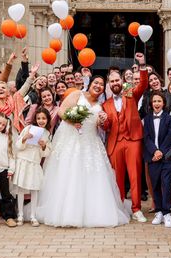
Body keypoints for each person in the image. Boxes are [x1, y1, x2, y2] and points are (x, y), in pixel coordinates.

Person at [36, 76, 131, 227]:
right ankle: (66, 212)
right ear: (90, 84)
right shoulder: (77, 94)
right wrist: (73, 121)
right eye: (96, 83)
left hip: (91, 142)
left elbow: (100, 126)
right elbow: (61, 111)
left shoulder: (101, 105)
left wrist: (101, 120)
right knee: (69, 172)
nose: (98, 86)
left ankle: (94, 212)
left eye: (101, 84)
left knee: (93, 175)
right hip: (71, 138)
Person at [102, 53, 149, 222]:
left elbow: (143, 84)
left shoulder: (131, 94)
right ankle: (120, 206)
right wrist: (103, 121)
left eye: (117, 81)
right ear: (109, 84)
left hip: (133, 140)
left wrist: (142, 65)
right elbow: (106, 127)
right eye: (112, 81)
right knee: (117, 177)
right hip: (115, 142)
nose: (115, 83)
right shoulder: (105, 105)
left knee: (135, 175)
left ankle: (136, 209)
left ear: (122, 81)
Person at [13, 107, 51, 226]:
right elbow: (18, 146)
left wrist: (43, 146)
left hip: (35, 163)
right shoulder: (28, 129)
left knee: (34, 189)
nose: (41, 120)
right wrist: (24, 138)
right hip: (23, 161)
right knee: (21, 189)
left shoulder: (47, 133)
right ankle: (20, 215)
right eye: (38, 118)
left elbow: (47, 152)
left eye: (44, 118)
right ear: (35, 119)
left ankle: (33, 216)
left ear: (47, 120)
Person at [143, 92, 171, 228]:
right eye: (154, 101)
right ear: (151, 104)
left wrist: (161, 151)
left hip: (166, 156)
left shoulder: (169, 119)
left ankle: (167, 212)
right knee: (155, 184)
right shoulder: (147, 119)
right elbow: (146, 137)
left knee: (166, 184)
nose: (156, 103)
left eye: (159, 101)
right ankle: (159, 211)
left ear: (163, 103)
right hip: (152, 157)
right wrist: (154, 151)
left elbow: (170, 136)